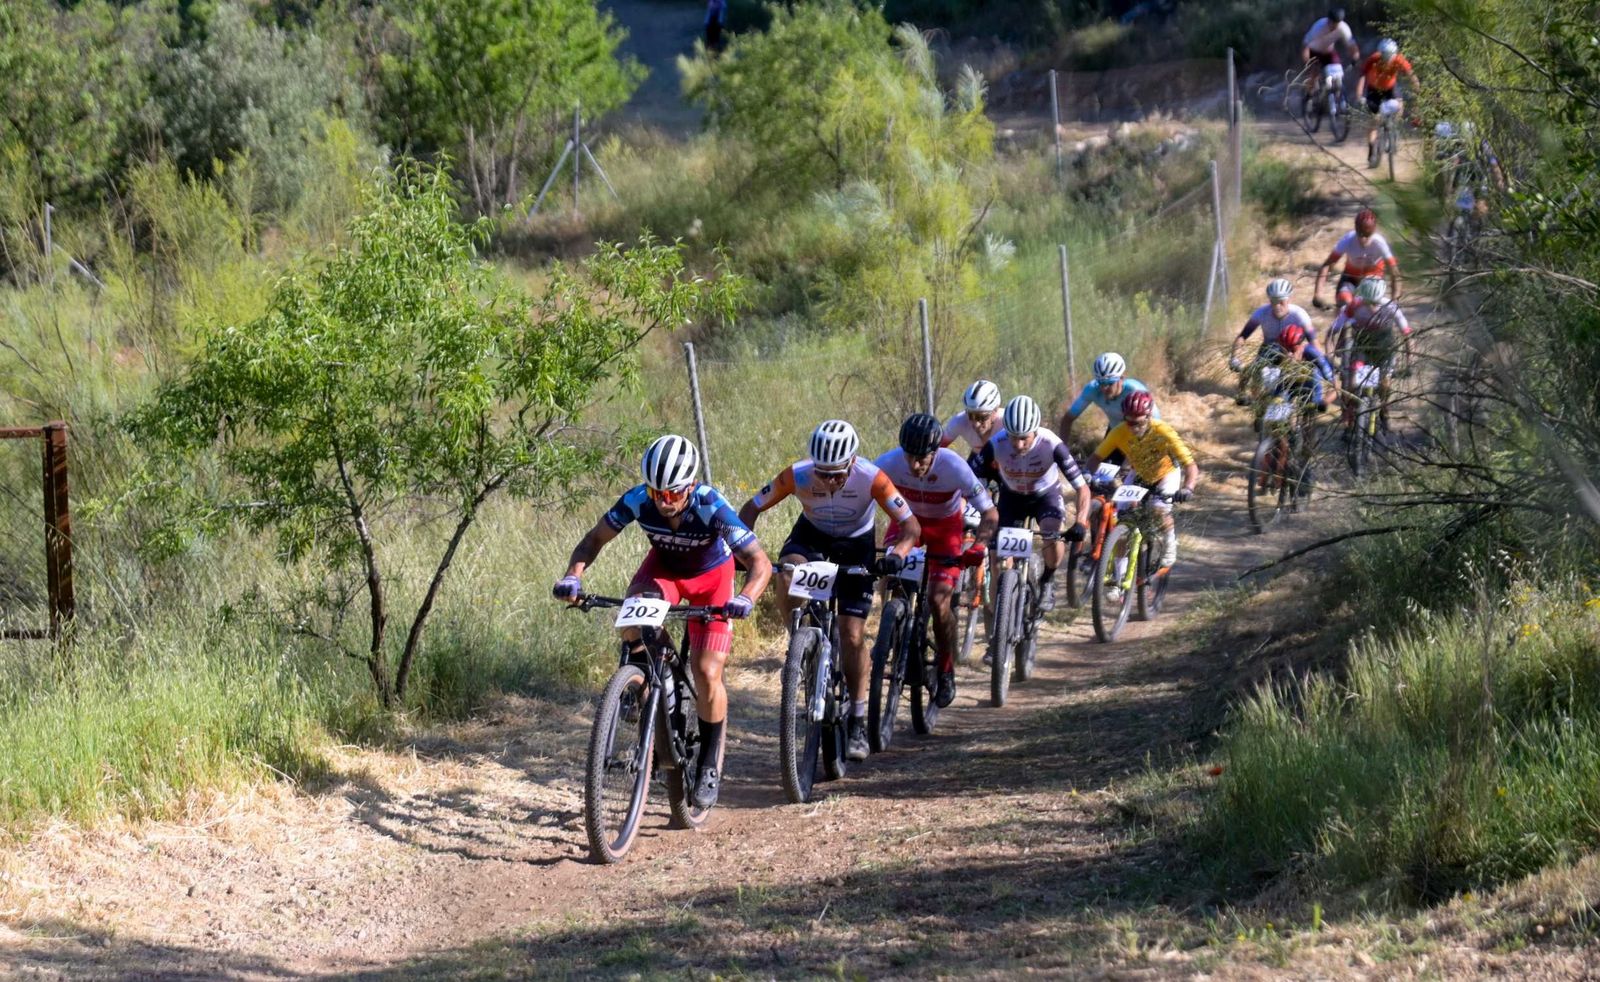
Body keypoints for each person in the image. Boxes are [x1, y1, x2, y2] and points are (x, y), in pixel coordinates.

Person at [554, 435, 771, 811]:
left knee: (706, 671)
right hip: (665, 570)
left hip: (711, 579)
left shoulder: (710, 506)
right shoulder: (638, 500)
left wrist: (745, 597)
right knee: (632, 618)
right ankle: (653, 683)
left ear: (689, 486)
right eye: (657, 493)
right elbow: (593, 540)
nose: (664, 501)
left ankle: (708, 763)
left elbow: (760, 562)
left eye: (672, 493)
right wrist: (574, 575)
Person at [739, 420, 919, 762]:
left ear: (852, 463)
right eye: (823, 474)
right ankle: (798, 643)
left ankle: (857, 721)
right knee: (788, 572)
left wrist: (897, 555)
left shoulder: (873, 477)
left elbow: (911, 525)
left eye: (837, 474)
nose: (830, 481)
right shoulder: (798, 474)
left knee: (851, 635)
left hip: (856, 544)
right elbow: (751, 508)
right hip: (813, 537)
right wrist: (741, 549)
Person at [875, 413, 998, 710]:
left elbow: (990, 514)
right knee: (891, 577)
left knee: (939, 601)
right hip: (907, 526)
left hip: (945, 529)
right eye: (910, 457)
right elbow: (862, 502)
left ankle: (945, 668)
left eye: (923, 459)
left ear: (935, 452)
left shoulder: (954, 466)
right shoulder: (887, 463)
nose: (915, 465)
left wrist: (979, 545)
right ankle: (894, 628)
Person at [973, 396, 1091, 613]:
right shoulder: (995, 443)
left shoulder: (1052, 444)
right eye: (1013, 437)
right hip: (1012, 497)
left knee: (1051, 533)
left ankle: (1047, 580)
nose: (1018, 445)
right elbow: (974, 482)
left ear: (1035, 430)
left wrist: (1081, 521)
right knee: (997, 557)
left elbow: (1082, 488)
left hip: (1044, 496)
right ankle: (1002, 618)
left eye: (1024, 438)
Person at [1087, 391, 1199, 571]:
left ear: (1148, 417)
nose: (1132, 427)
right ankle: (1119, 576)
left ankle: (1170, 544)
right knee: (1121, 521)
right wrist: (1087, 475)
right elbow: (1095, 458)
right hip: (1139, 473)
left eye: (1138, 423)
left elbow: (1190, 465)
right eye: (1128, 422)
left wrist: (1188, 488)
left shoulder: (1163, 431)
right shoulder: (1119, 432)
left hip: (1166, 473)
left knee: (1158, 509)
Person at [1326, 278, 1413, 431]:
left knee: (1385, 384)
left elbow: (1407, 335)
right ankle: (1350, 417)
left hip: (1384, 350)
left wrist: (1409, 361)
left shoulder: (1391, 307)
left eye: (1375, 303)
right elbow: (1332, 332)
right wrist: (1329, 355)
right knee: (1352, 384)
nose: (1372, 307)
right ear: (1362, 298)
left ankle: (1384, 410)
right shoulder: (1353, 306)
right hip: (1362, 350)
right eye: (1368, 303)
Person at [1231, 278, 1316, 404]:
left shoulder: (1299, 314)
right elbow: (1243, 336)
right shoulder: (1261, 313)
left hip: (1293, 349)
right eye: (1273, 302)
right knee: (1253, 369)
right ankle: (1245, 396)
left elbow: (1313, 342)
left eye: (1281, 301)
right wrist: (1234, 357)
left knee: (1298, 376)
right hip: (1269, 347)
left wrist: (1320, 359)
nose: (1277, 306)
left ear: (1289, 299)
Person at [1059, 352, 1160, 444]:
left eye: (1109, 383)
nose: (1104, 388)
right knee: (1100, 463)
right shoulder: (1092, 389)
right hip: (1116, 432)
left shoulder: (1136, 391)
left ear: (1122, 378)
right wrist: (1063, 452)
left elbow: (1157, 423)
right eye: (1101, 383)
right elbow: (1068, 419)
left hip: (1140, 434)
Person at [1312, 208, 1399, 309]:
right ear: (1356, 229)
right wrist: (1318, 294)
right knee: (1344, 303)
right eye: (1360, 234)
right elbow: (1327, 265)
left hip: (1373, 281)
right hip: (1351, 278)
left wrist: (1395, 299)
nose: (1363, 239)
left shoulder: (1380, 243)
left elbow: (1395, 273)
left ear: (1374, 231)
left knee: (1370, 309)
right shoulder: (1348, 240)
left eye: (1367, 235)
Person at [1356, 39, 1417, 166]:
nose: (1388, 59)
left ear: (1394, 54)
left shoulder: (1398, 59)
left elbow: (1410, 74)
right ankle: (1372, 150)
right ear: (1380, 54)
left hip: (1390, 88)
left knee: (1400, 105)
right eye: (1385, 56)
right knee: (1374, 120)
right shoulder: (1373, 59)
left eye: (1390, 56)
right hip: (1374, 89)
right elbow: (1362, 76)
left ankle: (1394, 127)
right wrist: (1359, 94)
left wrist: (1417, 88)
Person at [1264, 323, 1340, 413]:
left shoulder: (1311, 352)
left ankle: (1311, 408)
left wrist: (1331, 382)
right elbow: (1271, 369)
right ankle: (1278, 418)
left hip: (1309, 383)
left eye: (1292, 349)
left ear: (1301, 344)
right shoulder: (1279, 353)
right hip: (1289, 382)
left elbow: (1325, 368)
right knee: (1277, 399)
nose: (1289, 353)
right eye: (1285, 349)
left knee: (1314, 373)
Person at [1301, 7, 1359, 99]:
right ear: (1328, 20)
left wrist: (1355, 58)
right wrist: (1307, 63)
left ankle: (1335, 95)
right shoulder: (1319, 26)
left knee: (1337, 71)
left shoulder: (1344, 28)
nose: (1333, 27)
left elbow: (1352, 46)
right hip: (1313, 52)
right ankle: (1308, 97)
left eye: (1336, 25)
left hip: (1328, 52)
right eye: (1332, 24)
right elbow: (1306, 46)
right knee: (1314, 75)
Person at [942, 379, 1004, 458]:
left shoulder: (1007, 423)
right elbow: (935, 452)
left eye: (982, 417)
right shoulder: (959, 422)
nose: (976, 424)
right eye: (970, 416)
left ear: (996, 410)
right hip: (978, 457)